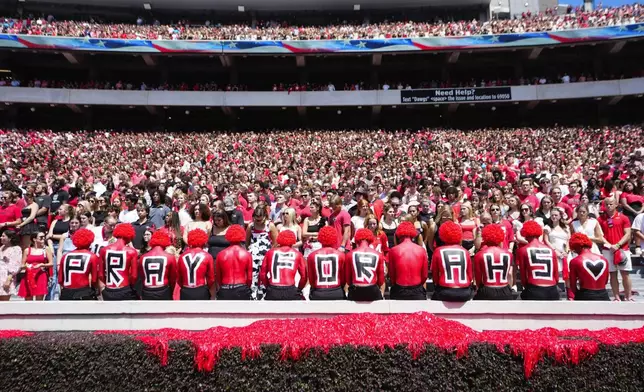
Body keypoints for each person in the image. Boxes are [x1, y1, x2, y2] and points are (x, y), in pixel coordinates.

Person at [597, 198, 633, 302]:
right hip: (608, 250)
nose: (608, 206)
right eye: (607, 204)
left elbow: (628, 234)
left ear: (616, 204)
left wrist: (617, 245)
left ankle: (628, 296)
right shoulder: (601, 219)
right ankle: (616, 297)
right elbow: (599, 235)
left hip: (622, 249)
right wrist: (608, 244)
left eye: (611, 204)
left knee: (625, 274)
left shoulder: (623, 218)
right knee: (612, 274)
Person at [516, 221, 560, 300]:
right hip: (552, 290)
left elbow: (523, 278)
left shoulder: (523, 250)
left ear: (525, 234)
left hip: (534, 289)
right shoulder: (550, 250)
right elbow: (556, 277)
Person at [430, 221, 473, 302]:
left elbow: (435, 276)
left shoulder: (438, 251)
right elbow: (470, 276)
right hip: (465, 292)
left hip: (445, 291)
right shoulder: (465, 251)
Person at [260, 230, 307, 301]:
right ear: (293, 241)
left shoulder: (270, 253)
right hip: (290, 290)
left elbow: (262, 275)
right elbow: (304, 277)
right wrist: (299, 289)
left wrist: (268, 287)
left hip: (273, 289)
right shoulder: (297, 254)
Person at [388, 221, 428, 300]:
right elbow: (424, 276)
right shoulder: (421, 250)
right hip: (417, 290)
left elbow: (392, 275)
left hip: (399, 290)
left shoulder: (393, 250)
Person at [98, 223, 139, 300]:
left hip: (108, 289)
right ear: (129, 236)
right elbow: (134, 276)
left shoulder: (104, 250)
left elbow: (100, 275)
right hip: (124, 288)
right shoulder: (131, 252)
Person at [473, 224, 514, 300]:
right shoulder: (509, 254)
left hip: (487, 290)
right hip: (505, 290)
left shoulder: (479, 255)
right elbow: (510, 274)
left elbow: (478, 279)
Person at [58, 228, 100, 300]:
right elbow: (94, 280)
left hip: (66, 293)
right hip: (84, 292)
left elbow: (60, 280)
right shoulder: (92, 256)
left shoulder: (65, 256)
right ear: (90, 241)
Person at [567, 233, 610, 301]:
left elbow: (573, 285)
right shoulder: (603, 259)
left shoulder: (575, 261)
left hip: (585, 294)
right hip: (603, 294)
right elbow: (606, 281)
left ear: (575, 247)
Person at [345, 228, 385, 301]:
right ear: (370, 239)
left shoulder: (349, 254)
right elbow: (381, 281)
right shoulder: (378, 255)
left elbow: (348, 280)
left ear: (357, 239)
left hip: (356, 291)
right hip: (372, 291)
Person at [307, 226, 346, 300]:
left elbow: (311, 280)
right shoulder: (341, 255)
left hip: (318, 292)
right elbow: (343, 279)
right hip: (336, 292)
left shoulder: (312, 256)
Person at [215, 224, 253, 300]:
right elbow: (249, 278)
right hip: (241, 287)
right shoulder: (246, 254)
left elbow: (218, 277)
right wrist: (246, 288)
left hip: (225, 287)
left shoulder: (221, 254)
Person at [138, 230, 177, 300]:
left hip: (147, 290)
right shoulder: (170, 257)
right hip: (163, 290)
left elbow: (141, 276)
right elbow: (173, 279)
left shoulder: (143, 257)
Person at [177, 229, 215, 300]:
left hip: (186, 290)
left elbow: (179, 278)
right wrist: (211, 292)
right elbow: (211, 279)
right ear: (204, 241)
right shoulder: (207, 256)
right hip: (201, 290)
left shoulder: (182, 256)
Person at [18, 231, 54, 301]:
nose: (43, 239)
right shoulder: (27, 250)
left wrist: (41, 265)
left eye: (44, 237)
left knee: (39, 300)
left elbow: (51, 263)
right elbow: (22, 265)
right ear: (34, 239)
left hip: (40, 275)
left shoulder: (46, 249)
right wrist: (27, 266)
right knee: (28, 299)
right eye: (41, 237)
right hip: (29, 275)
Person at [0, 231, 21, 300]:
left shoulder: (16, 249)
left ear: (10, 238)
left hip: (6, 278)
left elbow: (16, 266)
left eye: (3, 236)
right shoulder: (1, 248)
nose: (1, 237)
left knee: (3, 303)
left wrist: (8, 280)